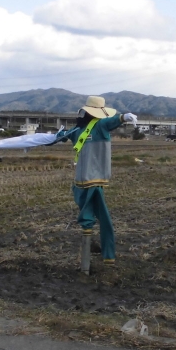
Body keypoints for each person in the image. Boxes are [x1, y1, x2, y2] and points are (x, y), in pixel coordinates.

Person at [54, 95, 138, 272]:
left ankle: (90, 248)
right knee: (98, 214)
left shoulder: (87, 128)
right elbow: (112, 122)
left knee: (89, 214)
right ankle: (97, 251)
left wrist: (123, 117)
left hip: (84, 180)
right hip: (91, 180)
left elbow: (113, 122)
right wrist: (124, 117)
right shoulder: (89, 129)